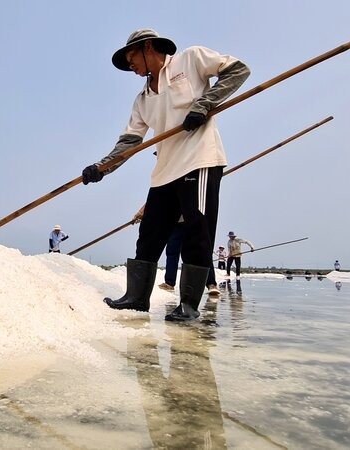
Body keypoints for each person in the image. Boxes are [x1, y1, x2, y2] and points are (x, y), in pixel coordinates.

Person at [81, 29, 249, 321]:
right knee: (149, 234)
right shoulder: (143, 99)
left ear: (148, 48)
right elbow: (130, 141)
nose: (130, 66)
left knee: (198, 232)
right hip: (164, 171)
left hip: (200, 159)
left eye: (131, 58)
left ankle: (188, 305)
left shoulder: (190, 60)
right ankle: (136, 298)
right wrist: (102, 167)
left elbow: (237, 70)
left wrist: (204, 104)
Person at [157, 221, 219, 296]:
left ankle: (211, 283)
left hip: (195, 219)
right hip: (176, 220)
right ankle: (169, 283)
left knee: (204, 251)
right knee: (172, 251)